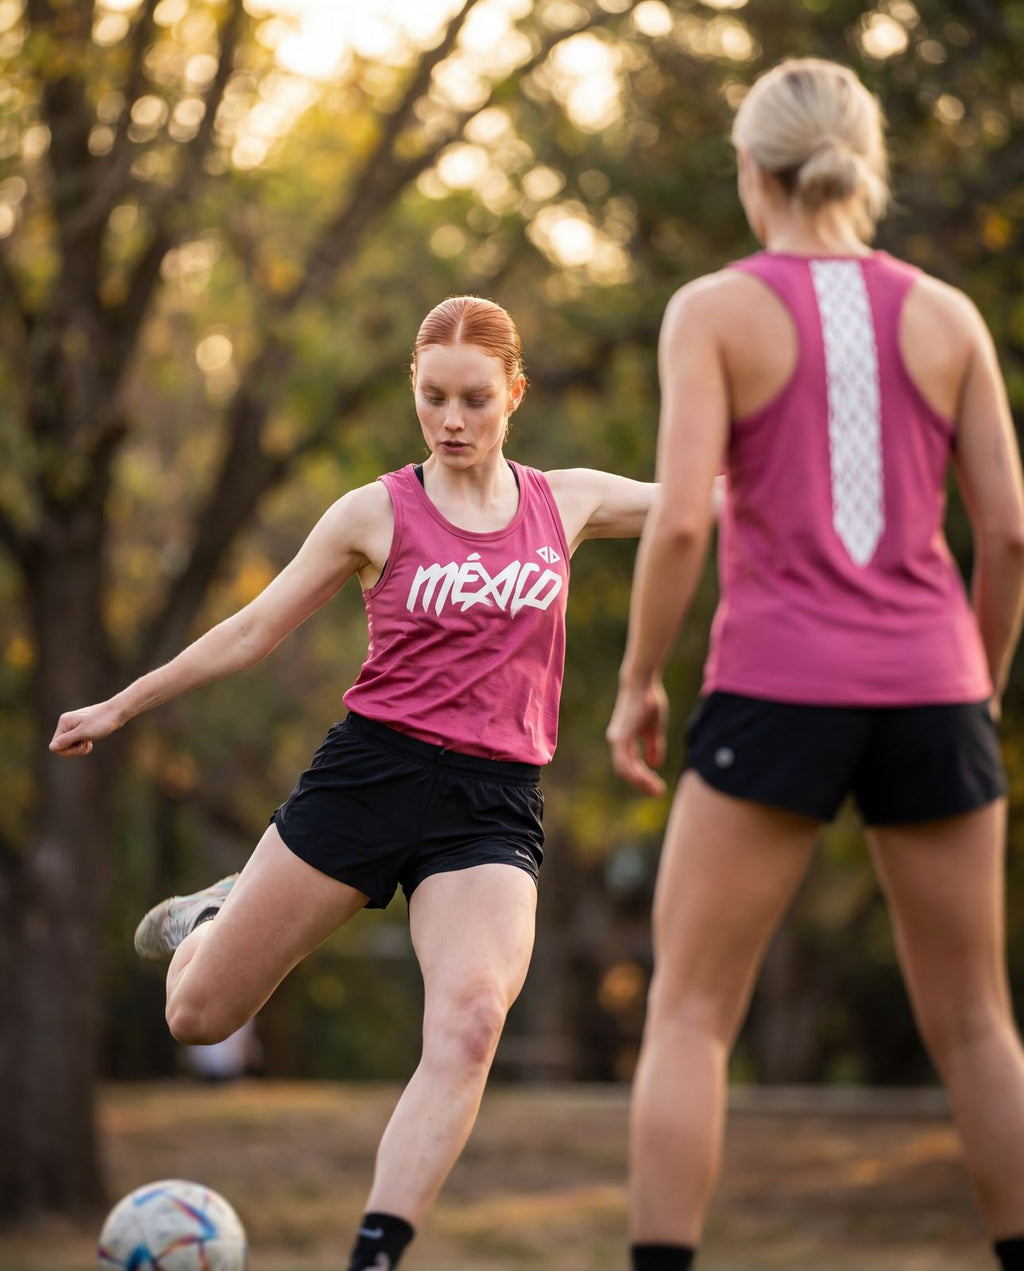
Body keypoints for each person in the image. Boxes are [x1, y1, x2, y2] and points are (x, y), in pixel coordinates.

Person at [50, 295, 654, 1271]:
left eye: (473, 399)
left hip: (492, 804)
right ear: (414, 395)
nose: (451, 420)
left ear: (513, 395)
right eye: (432, 398)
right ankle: (210, 916)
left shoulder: (566, 500)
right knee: (196, 1014)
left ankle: (376, 1253)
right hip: (369, 777)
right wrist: (121, 706)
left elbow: (708, 500)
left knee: (470, 1020)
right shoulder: (375, 510)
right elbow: (251, 631)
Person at [607, 57, 1024, 1271]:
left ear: (752, 171)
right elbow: (1005, 529)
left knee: (687, 1011)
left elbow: (683, 519)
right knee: (978, 1024)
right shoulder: (949, 315)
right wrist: (978, 681)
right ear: (864, 167)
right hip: (936, 694)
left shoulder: (714, 309)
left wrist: (637, 680)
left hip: (775, 690)